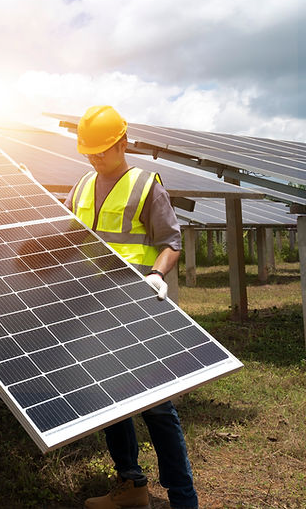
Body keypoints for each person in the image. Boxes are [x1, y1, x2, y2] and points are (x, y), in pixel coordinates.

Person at [65, 105, 198, 509]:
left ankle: (183, 499)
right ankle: (132, 486)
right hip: (95, 308)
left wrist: (157, 275)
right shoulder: (83, 185)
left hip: (139, 310)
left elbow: (171, 242)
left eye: (102, 149)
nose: (95, 157)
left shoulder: (145, 185)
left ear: (122, 143)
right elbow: (69, 236)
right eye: (89, 151)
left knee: (157, 407)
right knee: (111, 399)